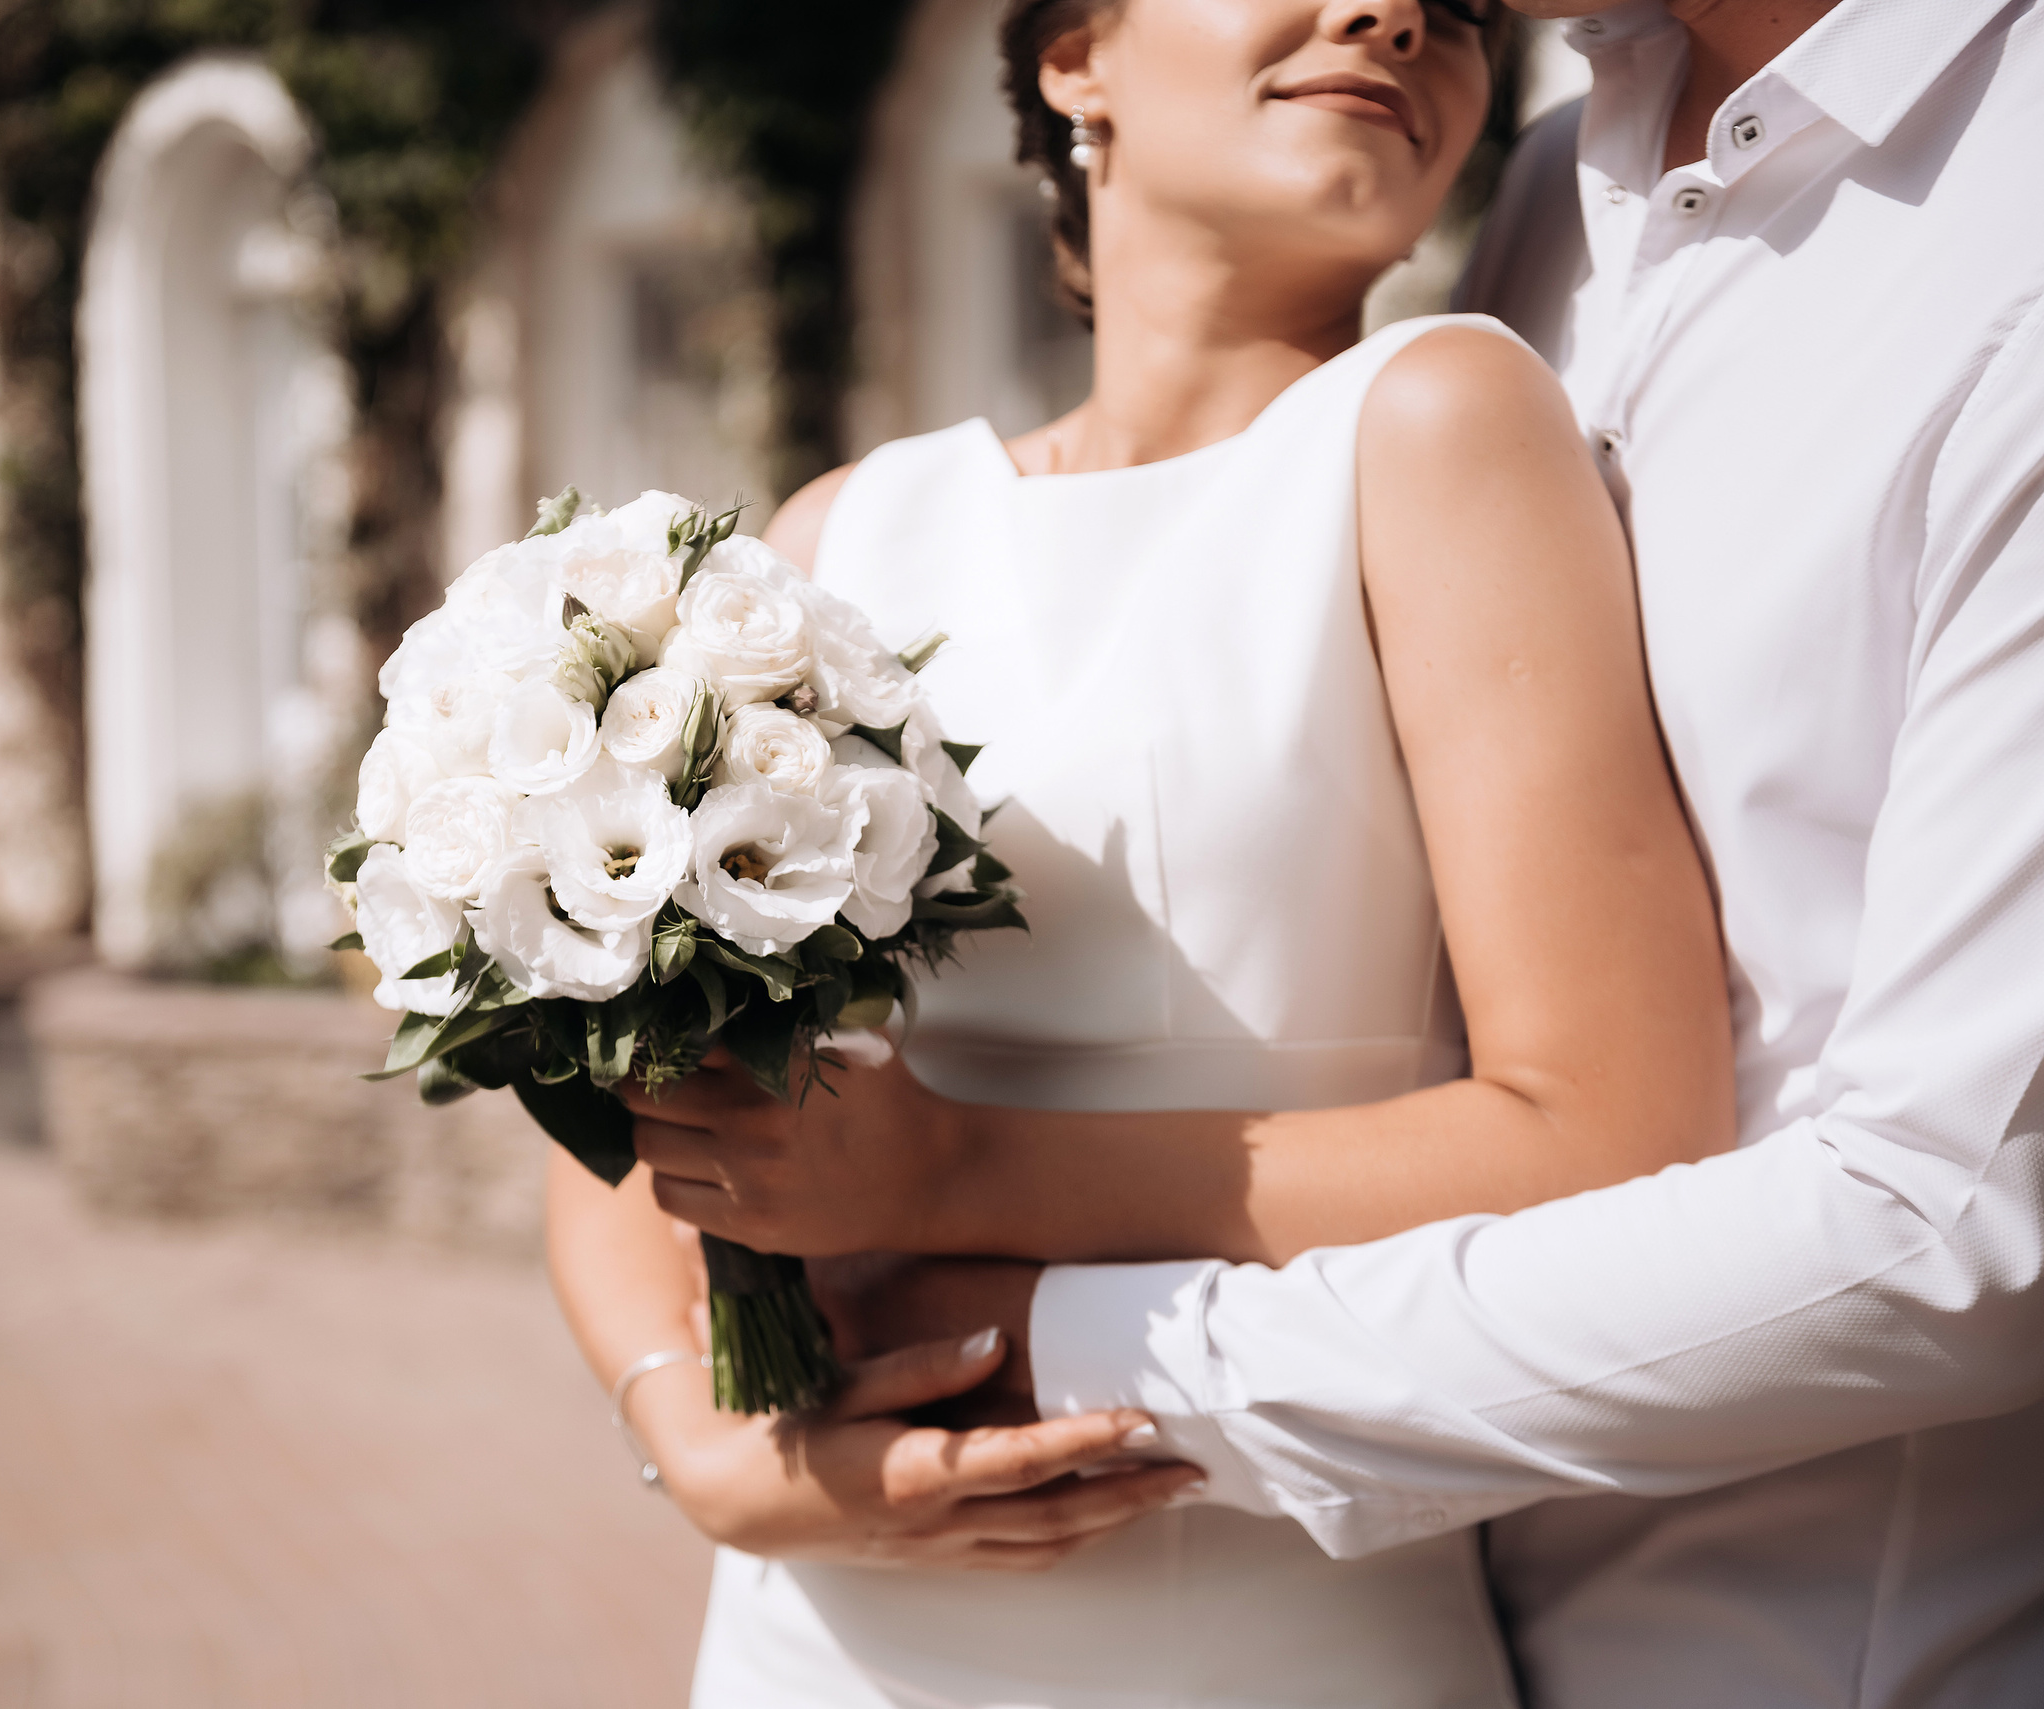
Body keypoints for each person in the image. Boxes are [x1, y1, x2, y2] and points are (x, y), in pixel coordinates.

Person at [614, 0, 2044, 1702]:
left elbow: (1629, 1124)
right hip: (827, 1615)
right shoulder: (852, 526)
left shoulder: (1445, 413)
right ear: (1076, 50)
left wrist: (948, 1187)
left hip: (1264, 1598)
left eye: (1454, 13)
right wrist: (687, 1426)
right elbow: (627, 1068)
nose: (1392, 13)